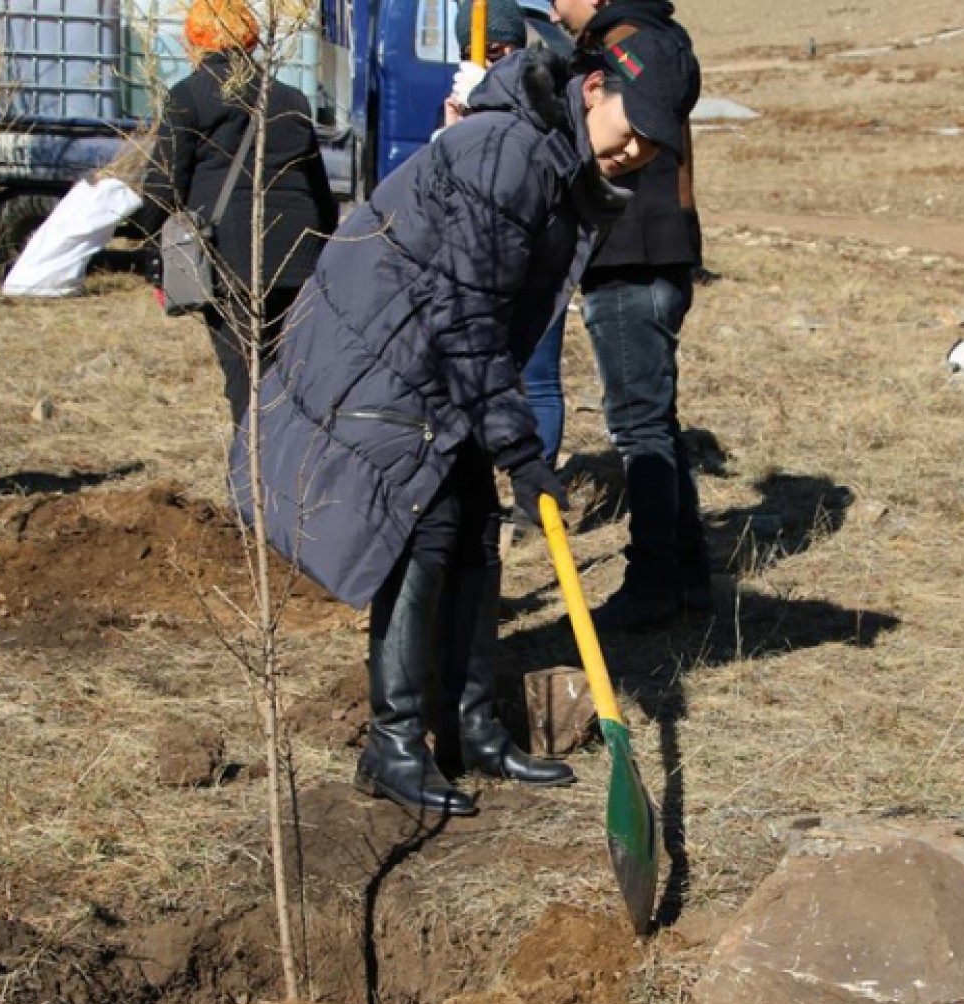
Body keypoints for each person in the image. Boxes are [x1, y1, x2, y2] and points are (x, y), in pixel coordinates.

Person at [241, 43, 690, 816]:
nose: (635, 150)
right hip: (387, 353)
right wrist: (518, 443)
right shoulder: (509, 151)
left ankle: (472, 727)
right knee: (425, 531)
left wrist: (505, 438)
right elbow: (467, 308)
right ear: (592, 90)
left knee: (476, 525)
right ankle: (394, 744)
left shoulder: (552, 153)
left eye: (655, 140)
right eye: (630, 126)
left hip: (434, 354)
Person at [551, 0, 709, 631]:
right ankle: (688, 576)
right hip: (657, 252)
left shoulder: (626, 46)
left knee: (638, 429)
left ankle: (650, 585)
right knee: (656, 423)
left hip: (630, 256)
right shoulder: (657, 37)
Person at [133, 0, 337, 429]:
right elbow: (321, 194)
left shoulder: (189, 96)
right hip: (298, 261)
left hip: (231, 263)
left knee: (245, 378)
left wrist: (146, 241)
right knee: (288, 375)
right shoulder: (291, 99)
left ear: (196, 41)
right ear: (251, 40)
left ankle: (253, 478)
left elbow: (163, 185)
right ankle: (292, 470)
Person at [444, 0, 567, 467]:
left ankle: (538, 498)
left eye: (498, 52)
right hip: (480, 258)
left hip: (535, 255)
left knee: (537, 380)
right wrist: (454, 131)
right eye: (473, 55)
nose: (486, 63)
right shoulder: (465, 98)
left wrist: (494, 98)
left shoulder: (545, 87)